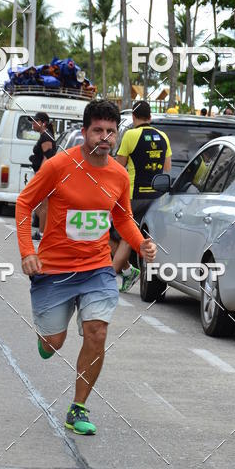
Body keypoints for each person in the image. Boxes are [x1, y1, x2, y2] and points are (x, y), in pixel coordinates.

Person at [15, 99, 157, 435]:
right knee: (53, 343)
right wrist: (26, 252)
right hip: (54, 270)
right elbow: (25, 202)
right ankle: (47, 338)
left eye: (111, 131)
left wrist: (141, 245)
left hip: (97, 269)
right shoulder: (59, 165)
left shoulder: (119, 175)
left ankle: (77, 407)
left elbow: (122, 216)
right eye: (98, 130)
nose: (104, 137)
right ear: (84, 132)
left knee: (98, 332)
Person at [112, 100, 171, 291]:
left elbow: (118, 167)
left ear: (134, 117)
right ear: (150, 117)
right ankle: (128, 273)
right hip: (156, 197)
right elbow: (166, 170)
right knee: (130, 236)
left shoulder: (130, 135)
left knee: (120, 236)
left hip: (132, 195)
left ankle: (111, 279)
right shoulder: (163, 136)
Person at [29, 112, 56, 241]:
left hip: (45, 176)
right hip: (43, 175)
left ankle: (41, 233)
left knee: (43, 205)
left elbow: (48, 157)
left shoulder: (46, 137)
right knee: (39, 205)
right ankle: (48, 231)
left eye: (35, 121)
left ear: (43, 123)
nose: (33, 124)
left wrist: (41, 177)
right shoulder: (45, 136)